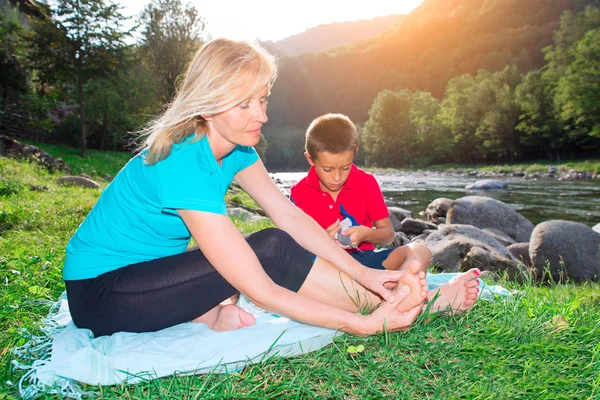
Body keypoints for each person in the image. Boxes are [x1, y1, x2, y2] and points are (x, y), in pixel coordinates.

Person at [63, 38, 432, 338]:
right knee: (267, 250)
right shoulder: (183, 162)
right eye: (244, 105)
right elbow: (263, 289)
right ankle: (393, 305)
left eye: (262, 99)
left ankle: (377, 295)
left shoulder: (238, 148)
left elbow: (288, 215)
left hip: (153, 274)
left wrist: (362, 272)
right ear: (206, 107)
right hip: (101, 293)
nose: (262, 115)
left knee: (265, 243)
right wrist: (362, 325)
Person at [290, 113, 481, 314]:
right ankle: (407, 305)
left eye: (345, 168)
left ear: (354, 152)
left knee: (419, 251)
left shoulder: (366, 182)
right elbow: (292, 245)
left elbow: (388, 234)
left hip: (366, 263)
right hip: (326, 269)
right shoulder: (299, 192)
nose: (337, 178)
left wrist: (364, 233)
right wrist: (322, 242)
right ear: (310, 159)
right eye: (327, 169)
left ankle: (394, 301)